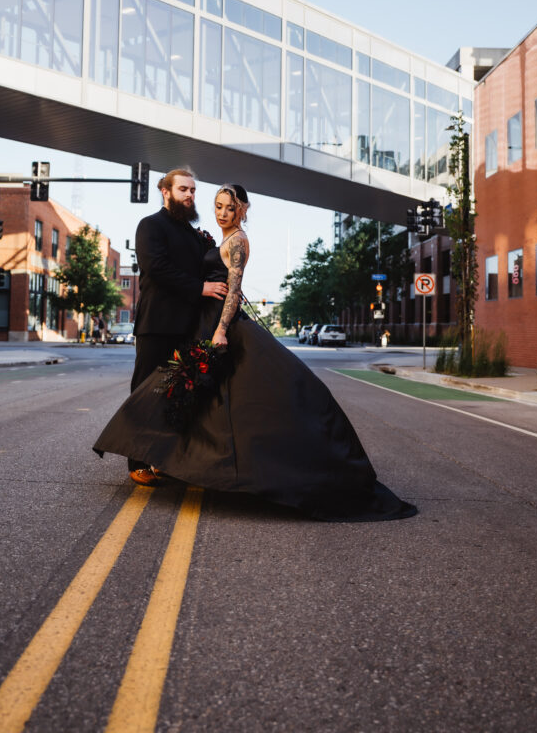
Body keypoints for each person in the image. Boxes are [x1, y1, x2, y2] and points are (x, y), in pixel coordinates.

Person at [94, 184, 416, 521]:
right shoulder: (215, 238)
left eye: (229, 208)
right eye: (217, 206)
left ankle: (277, 470)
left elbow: (234, 291)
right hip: (201, 324)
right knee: (200, 400)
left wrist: (220, 331)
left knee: (249, 402)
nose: (222, 213)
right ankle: (176, 461)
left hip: (221, 326)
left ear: (242, 210)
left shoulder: (237, 241)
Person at [118, 167, 227, 485]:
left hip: (189, 327)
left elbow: (207, 267)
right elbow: (158, 269)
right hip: (157, 324)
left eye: (193, 190)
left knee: (177, 395)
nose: (190, 195)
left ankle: (163, 460)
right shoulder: (150, 225)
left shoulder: (194, 235)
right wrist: (201, 288)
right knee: (145, 391)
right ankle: (137, 461)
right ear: (165, 191)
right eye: (183, 189)